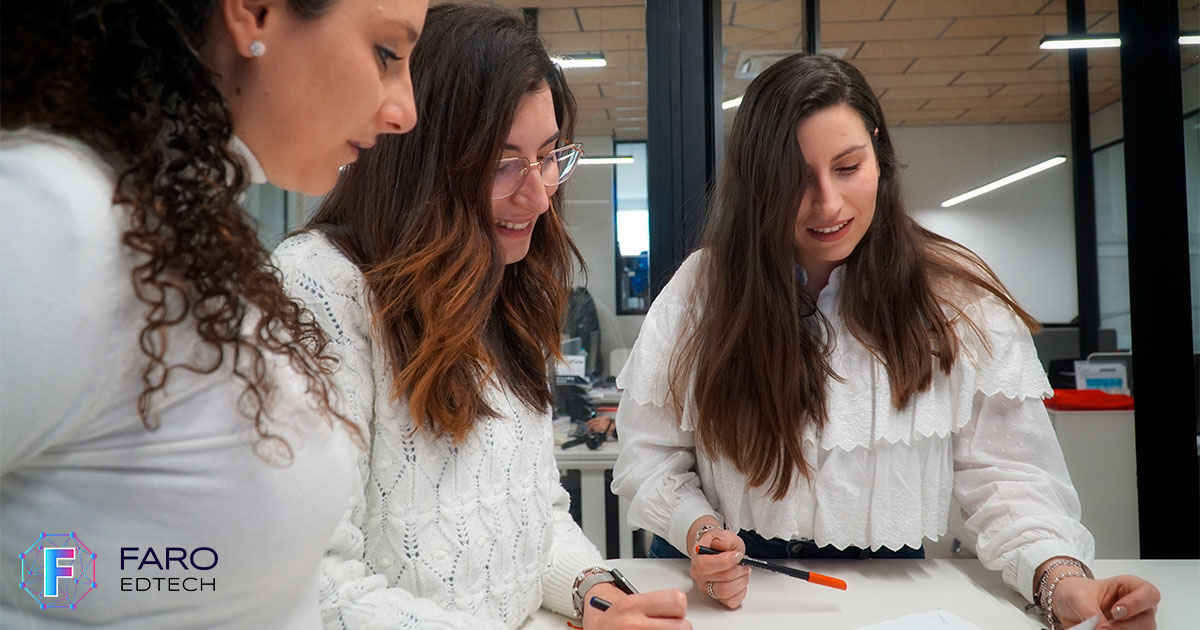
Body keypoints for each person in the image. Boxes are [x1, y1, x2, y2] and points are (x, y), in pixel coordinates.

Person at [611, 53, 1160, 630]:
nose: (827, 204)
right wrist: (699, 532)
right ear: (755, 186)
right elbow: (651, 454)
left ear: (880, 155)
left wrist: (1061, 581)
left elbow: (1009, 478)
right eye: (794, 181)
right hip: (718, 590)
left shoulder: (954, 301)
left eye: (848, 167)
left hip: (882, 594)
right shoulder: (702, 290)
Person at [0, 0, 425, 626]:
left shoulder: (184, 229)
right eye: (386, 53)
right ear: (253, 13)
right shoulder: (56, 220)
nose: (404, 111)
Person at [271, 4, 689, 629]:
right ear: (418, 161)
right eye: (501, 163)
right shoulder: (320, 286)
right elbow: (317, 585)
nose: (539, 194)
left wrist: (597, 596)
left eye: (548, 155)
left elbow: (536, 512)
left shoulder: (499, 278)